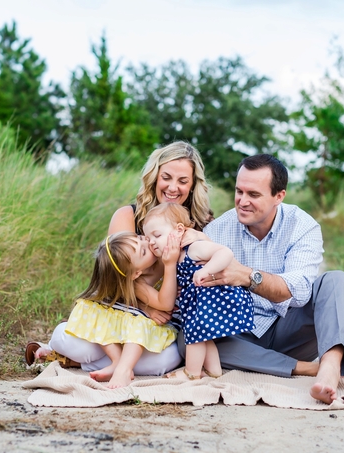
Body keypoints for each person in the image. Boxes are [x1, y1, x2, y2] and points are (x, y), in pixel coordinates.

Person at [28, 142, 213, 376]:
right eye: (166, 177)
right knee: (69, 339)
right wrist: (148, 305)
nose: (173, 187)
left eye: (183, 181)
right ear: (154, 177)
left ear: (193, 185)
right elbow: (117, 272)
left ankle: (82, 363)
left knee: (162, 361)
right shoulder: (129, 216)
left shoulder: (198, 225)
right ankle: (102, 361)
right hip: (122, 313)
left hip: (160, 326)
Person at [195, 154, 344, 404]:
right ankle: (305, 368)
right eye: (239, 191)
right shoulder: (216, 231)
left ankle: (329, 367)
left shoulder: (303, 226)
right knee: (187, 337)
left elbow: (297, 292)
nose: (242, 201)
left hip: (290, 330)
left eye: (253, 194)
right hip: (239, 333)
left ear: (279, 196)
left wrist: (246, 276)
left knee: (335, 280)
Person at [143, 203, 254, 380]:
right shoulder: (173, 257)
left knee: (194, 334)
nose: (152, 242)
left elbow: (225, 252)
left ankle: (192, 373)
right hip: (200, 302)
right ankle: (214, 371)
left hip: (216, 299)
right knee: (203, 335)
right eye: (148, 238)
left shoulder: (192, 248)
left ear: (179, 230)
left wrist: (206, 270)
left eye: (157, 235)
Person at [60, 232, 178, 388]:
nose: (148, 243)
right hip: (129, 322)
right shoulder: (138, 280)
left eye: (141, 238)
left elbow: (165, 306)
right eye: (143, 251)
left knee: (139, 324)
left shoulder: (162, 256)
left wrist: (169, 263)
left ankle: (122, 367)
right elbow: (164, 303)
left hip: (153, 327)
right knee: (93, 311)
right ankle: (119, 364)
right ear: (136, 273)